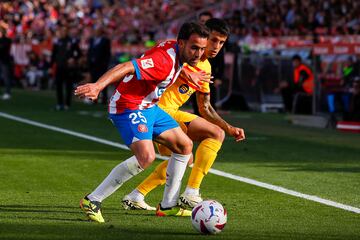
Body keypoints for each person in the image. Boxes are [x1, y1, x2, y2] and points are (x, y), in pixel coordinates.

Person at [74, 22, 210, 223]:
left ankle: (168, 205)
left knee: (185, 146)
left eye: (201, 49)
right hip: (128, 106)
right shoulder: (163, 60)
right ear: (181, 43)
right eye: (194, 48)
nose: (198, 54)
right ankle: (92, 200)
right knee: (146, 157)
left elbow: (173, 64)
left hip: (149, 106)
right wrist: (97, 86)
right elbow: (126, 66)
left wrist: (187, 71)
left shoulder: (177, 51)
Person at [121, 18, 245, 211]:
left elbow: (205, 107)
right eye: (213, 40)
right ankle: (191, 193)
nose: (216, 47)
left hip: (170, 114)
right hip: (154, 110)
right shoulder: (180, 53)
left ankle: (137, 195)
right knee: (212, 136)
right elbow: (168, 65)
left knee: (188, 156)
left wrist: (229, 127)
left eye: (222, 43)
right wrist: (189, 74)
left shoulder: (206, 67)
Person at [192, 11, 226, 115]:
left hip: (210, 78)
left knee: (208, 104)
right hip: (193, 78)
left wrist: (219, 77)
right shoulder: (189, 44)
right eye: (202, 21)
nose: (216, 46)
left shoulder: (207, 64)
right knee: (195, 105)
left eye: (221, 42)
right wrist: (186, 71)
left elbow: (221, 63)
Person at [51, 25, 81, 111]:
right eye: (61, 31)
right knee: (59, 86)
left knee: (68, 86)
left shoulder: (72, 41)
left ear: (67, 32)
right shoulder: (58, 42)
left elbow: (79, 53)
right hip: (59, 67)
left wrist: (73, 59)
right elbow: (54, 54)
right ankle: (59, 103)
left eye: (64, 31)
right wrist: (51, 65)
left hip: (68, 68)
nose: (62, 32)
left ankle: (67, 104)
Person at [87, 26, 111, 104]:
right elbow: (89, 51)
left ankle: (104, 99)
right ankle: (94, 99)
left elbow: (107, 53)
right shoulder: (92, 40)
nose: (96, 32)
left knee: (103, 81)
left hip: (102, 65)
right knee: (93, 81)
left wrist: (105, 63)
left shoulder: (105, 40)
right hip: (93, 64)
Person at [0, 27, 13, 100]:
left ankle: (8, 93)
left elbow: (2, 48)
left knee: (6, 77)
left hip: (5, 61)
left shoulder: (7, 40)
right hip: (2, 61)